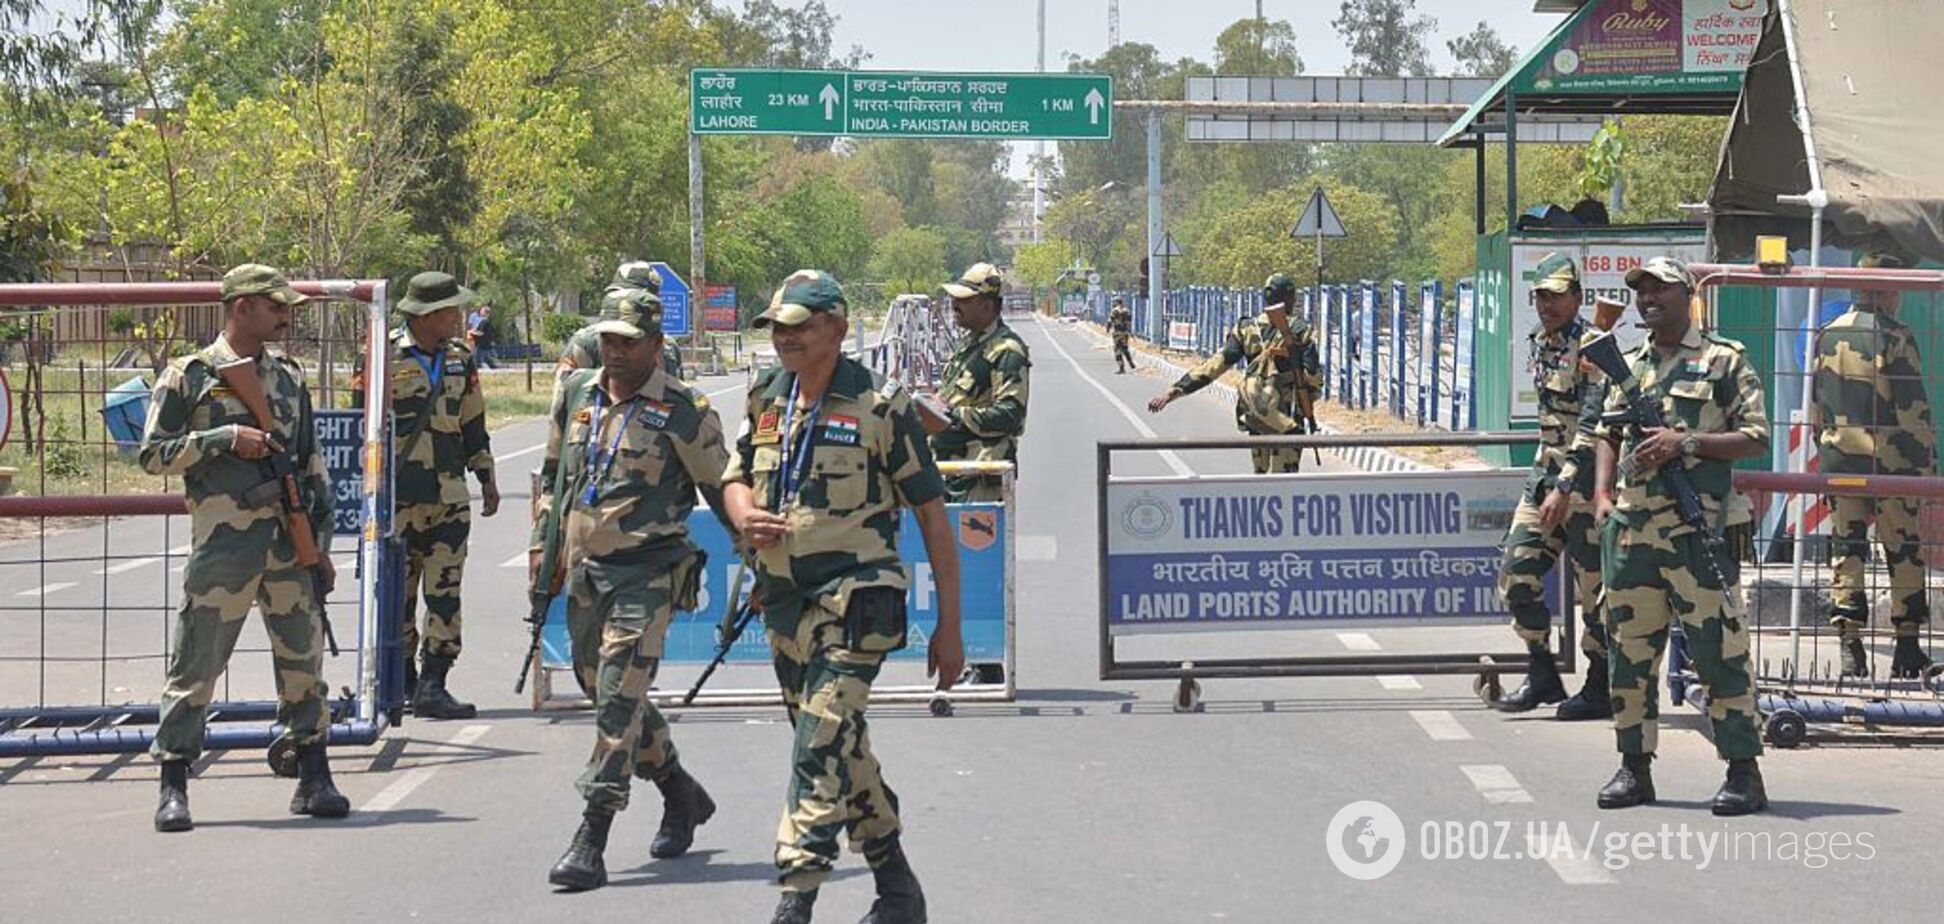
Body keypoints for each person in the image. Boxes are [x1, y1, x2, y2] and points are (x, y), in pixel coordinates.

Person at [721, 270, 964, 924]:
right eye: (777, 327)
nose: (786, 339)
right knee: (840, 746)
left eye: (799, 326)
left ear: (836, 326)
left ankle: (795, 900)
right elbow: (735, 477)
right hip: (785, 605)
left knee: (817, 747)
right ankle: (898, 888)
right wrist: (743, 513)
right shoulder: (767, 395)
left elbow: (934, 519)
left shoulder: (882, 405)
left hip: (859, 602)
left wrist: (950, 627)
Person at [139, 263, 347, 831]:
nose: (285, 316)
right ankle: (174, 783)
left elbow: (311, 467)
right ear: (240, 308)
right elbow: (151, 454)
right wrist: (223, 439)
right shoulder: (190, 376)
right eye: (275, 306)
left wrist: (320, 547)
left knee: (303, 662)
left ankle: (314, 775)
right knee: (195, 667)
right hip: (224, 547)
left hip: (287, 542)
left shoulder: (288, 377)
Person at [536, 295, 730, 891]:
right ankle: (680, 791)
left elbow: (724, 491)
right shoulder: (578, 394)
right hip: (587, 571)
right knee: (604, 692)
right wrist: (546, 558)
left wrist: (760, 559)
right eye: (608, 340)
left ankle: (591, 836)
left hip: (649, 573)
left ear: (656, 344)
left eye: (628, 342)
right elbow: (555, 478)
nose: (615, 352)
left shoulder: (684, 410)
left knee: (619, 699)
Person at [1593, 256, 1769, 815]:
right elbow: (1605, 433)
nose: (1648, 299)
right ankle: (1634, 768)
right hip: (1633, 534)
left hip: (1700, 533)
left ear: (1687, 295)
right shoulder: (1629, 365)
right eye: (1640, 292)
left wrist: (1684, 442)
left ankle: (1743, 771)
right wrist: (1600, 497)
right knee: (1630, 655)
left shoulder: (1723, 361)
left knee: (1720, 652)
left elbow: (1756, 437)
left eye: (1659, 290)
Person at [354, 271, 497, 719]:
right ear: (429, 315)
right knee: (398, 594)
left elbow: (473, 421)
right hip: (396, 500)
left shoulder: (460, 359)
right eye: (451, 310)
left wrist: (486, 476)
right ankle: (404, 680)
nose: (458, 317)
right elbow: (357, 422)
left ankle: (435, 681)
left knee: (445, 592)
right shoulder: (380, 357)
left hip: (449, 499)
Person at [1490, 253, 1610, 720]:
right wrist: (1550, 484)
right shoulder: (1540, 343)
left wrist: (1565, 486)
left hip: (1582, 486)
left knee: (1596, 593)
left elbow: (1595, 424)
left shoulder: (1594, 347)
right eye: (1541, 295)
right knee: (1515, 573)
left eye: (1557, 295)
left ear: (1576, 297)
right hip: (1545, 479)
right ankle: (1543, 672)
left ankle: (1599, 686)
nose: (1548, 304)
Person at [1813, 250, 1936, 678]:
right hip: (1892, 464)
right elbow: (1912, 410)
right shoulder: (1896, 336)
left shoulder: (1826, 333)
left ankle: (1849, 644)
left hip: (1841, 461)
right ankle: (1906, 646)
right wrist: (1927, 469)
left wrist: (1823, 451)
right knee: (1902, 551)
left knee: (1847, 551)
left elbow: (1817, 405)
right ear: (1884, 287)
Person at [1146, 273, 1319, 474]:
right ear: (1290, 298)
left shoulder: (1246, 329)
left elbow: (1213, 367)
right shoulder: (1300, 330)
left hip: (1258, 416)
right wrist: (1306, 398)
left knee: (1261, 482)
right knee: (1284, 486)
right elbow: (1314, 377)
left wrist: (1173, 392)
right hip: (1288, 418)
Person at [918, 262, 1031, 503]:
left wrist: (951, 415)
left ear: (988, 306)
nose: (955, 305)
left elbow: (1011, 416)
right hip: (949, 469)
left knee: (973, 539)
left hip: (979, 476)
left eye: (964, 300)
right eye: (954, 299)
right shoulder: (968, 346)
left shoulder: (1006, 351)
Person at [561, 263, 685, 382]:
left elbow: (679, 397)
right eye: (617, 295)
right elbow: (563, 394)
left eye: (633, 296)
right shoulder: (585, 343)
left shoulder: (668, 347)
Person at [1108, 296, 1136, 373]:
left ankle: (1121, 368)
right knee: (1125, 348)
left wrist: (1108, 329)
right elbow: (1129, 322)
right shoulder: (1127, 311)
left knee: (1117, 350)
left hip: (1117, 332)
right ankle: (1130, 362)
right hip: (1125, 333)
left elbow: (1110, 321)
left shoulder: (1115, 311)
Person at [466, 303, 499, 368]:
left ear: (486, 313)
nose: (481, 311)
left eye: (482, 311)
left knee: (476, 361)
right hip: (485, 345)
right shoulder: (486, 322)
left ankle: (478, 373)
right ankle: (495, 369)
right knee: (488, 360)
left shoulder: (484, 322)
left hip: (481, 345)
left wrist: (472, 332)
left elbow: (481, 333)